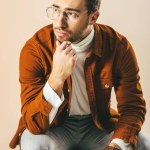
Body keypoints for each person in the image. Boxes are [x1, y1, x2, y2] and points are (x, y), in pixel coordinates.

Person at [9, 0, 150, 149]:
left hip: (98, 125)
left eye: (71, 14)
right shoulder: (35, 49)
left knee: (143, 143)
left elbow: (132, 107)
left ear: (93, 18)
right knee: (32, 143)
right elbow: (34, 125)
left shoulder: (118, 47)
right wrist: (57, 77)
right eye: (56, 10)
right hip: (54, 127)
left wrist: (115, 147)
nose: (59, 23)